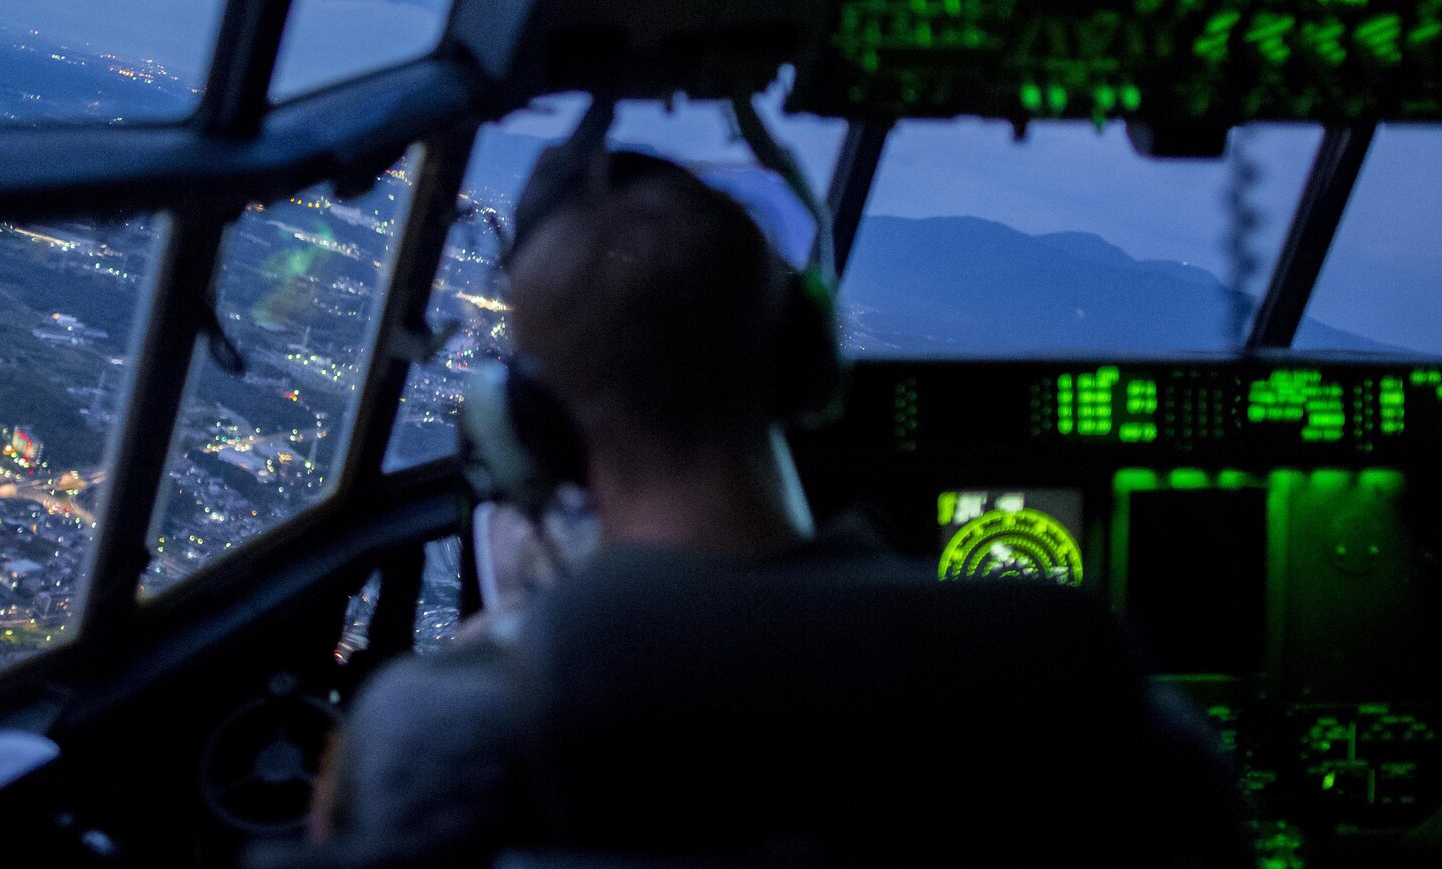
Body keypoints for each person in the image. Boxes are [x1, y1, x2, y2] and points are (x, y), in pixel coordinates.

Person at [312, 151, 1250, 866]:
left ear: (531, 426)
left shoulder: (447, 732)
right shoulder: (1107, 722)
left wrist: (489, 650)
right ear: (806, 364)